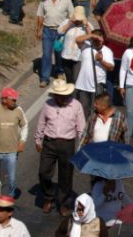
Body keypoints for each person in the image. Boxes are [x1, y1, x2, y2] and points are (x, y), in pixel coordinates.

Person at [34, 78, 85, 216]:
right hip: (49, 142)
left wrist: (81, 146)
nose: (62, 98)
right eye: (59, 95)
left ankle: (63, 203)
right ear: (54, 95)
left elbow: (81, 128)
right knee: (43, 172)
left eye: (64, 95)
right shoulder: (48, 105)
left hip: (67, 144)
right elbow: (41, 123)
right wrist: (38, 140)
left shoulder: (76, 106)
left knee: (66, 175)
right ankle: (48, 197)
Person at [37, 0, 74, 88]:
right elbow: (40, 16)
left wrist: (67, 27)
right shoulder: (44, 1)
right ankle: (44, 78)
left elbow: (72, 15)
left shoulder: (66, 0)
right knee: (46, 55)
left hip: (60, 32)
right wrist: (38, 30)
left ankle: (59, 72)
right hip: (47, 31)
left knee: (59, 54)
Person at [74, 29, 115, 118]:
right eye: (94, 39)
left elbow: (111, 68)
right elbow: (77, 40)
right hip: (83, 85)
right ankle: (84, 129)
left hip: (97, 86)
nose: (97, 42)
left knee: (96, 110)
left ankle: (93, 128)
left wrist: (101, 61)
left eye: (99, 39)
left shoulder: (107, 51)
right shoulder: (86, 46)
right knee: (83, 109)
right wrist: (92, 36)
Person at [57, 6, 92, 84]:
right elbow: (59, 32)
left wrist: (86, 26)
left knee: (76, 79)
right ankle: (70, 95)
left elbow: (91, 38)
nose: (77, 21)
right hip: (66, 55)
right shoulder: (67, 22)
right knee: (69, 79)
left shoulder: (87, 25)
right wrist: (69, 23)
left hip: (78, 57)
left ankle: (76, 95)